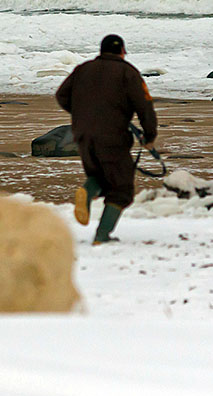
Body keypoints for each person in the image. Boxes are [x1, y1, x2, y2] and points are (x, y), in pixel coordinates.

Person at [55, 34, 158, 244]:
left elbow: (61, 95)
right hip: (113, 137)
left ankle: (87, 191)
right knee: (122, 190)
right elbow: (144, 106)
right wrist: (149, 135)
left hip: (82, 135)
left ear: (102, 51)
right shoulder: (128, 72)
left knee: (102, 177)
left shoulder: (83, 69)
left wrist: (81, 115)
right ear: (122, 51)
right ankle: (102, 236)